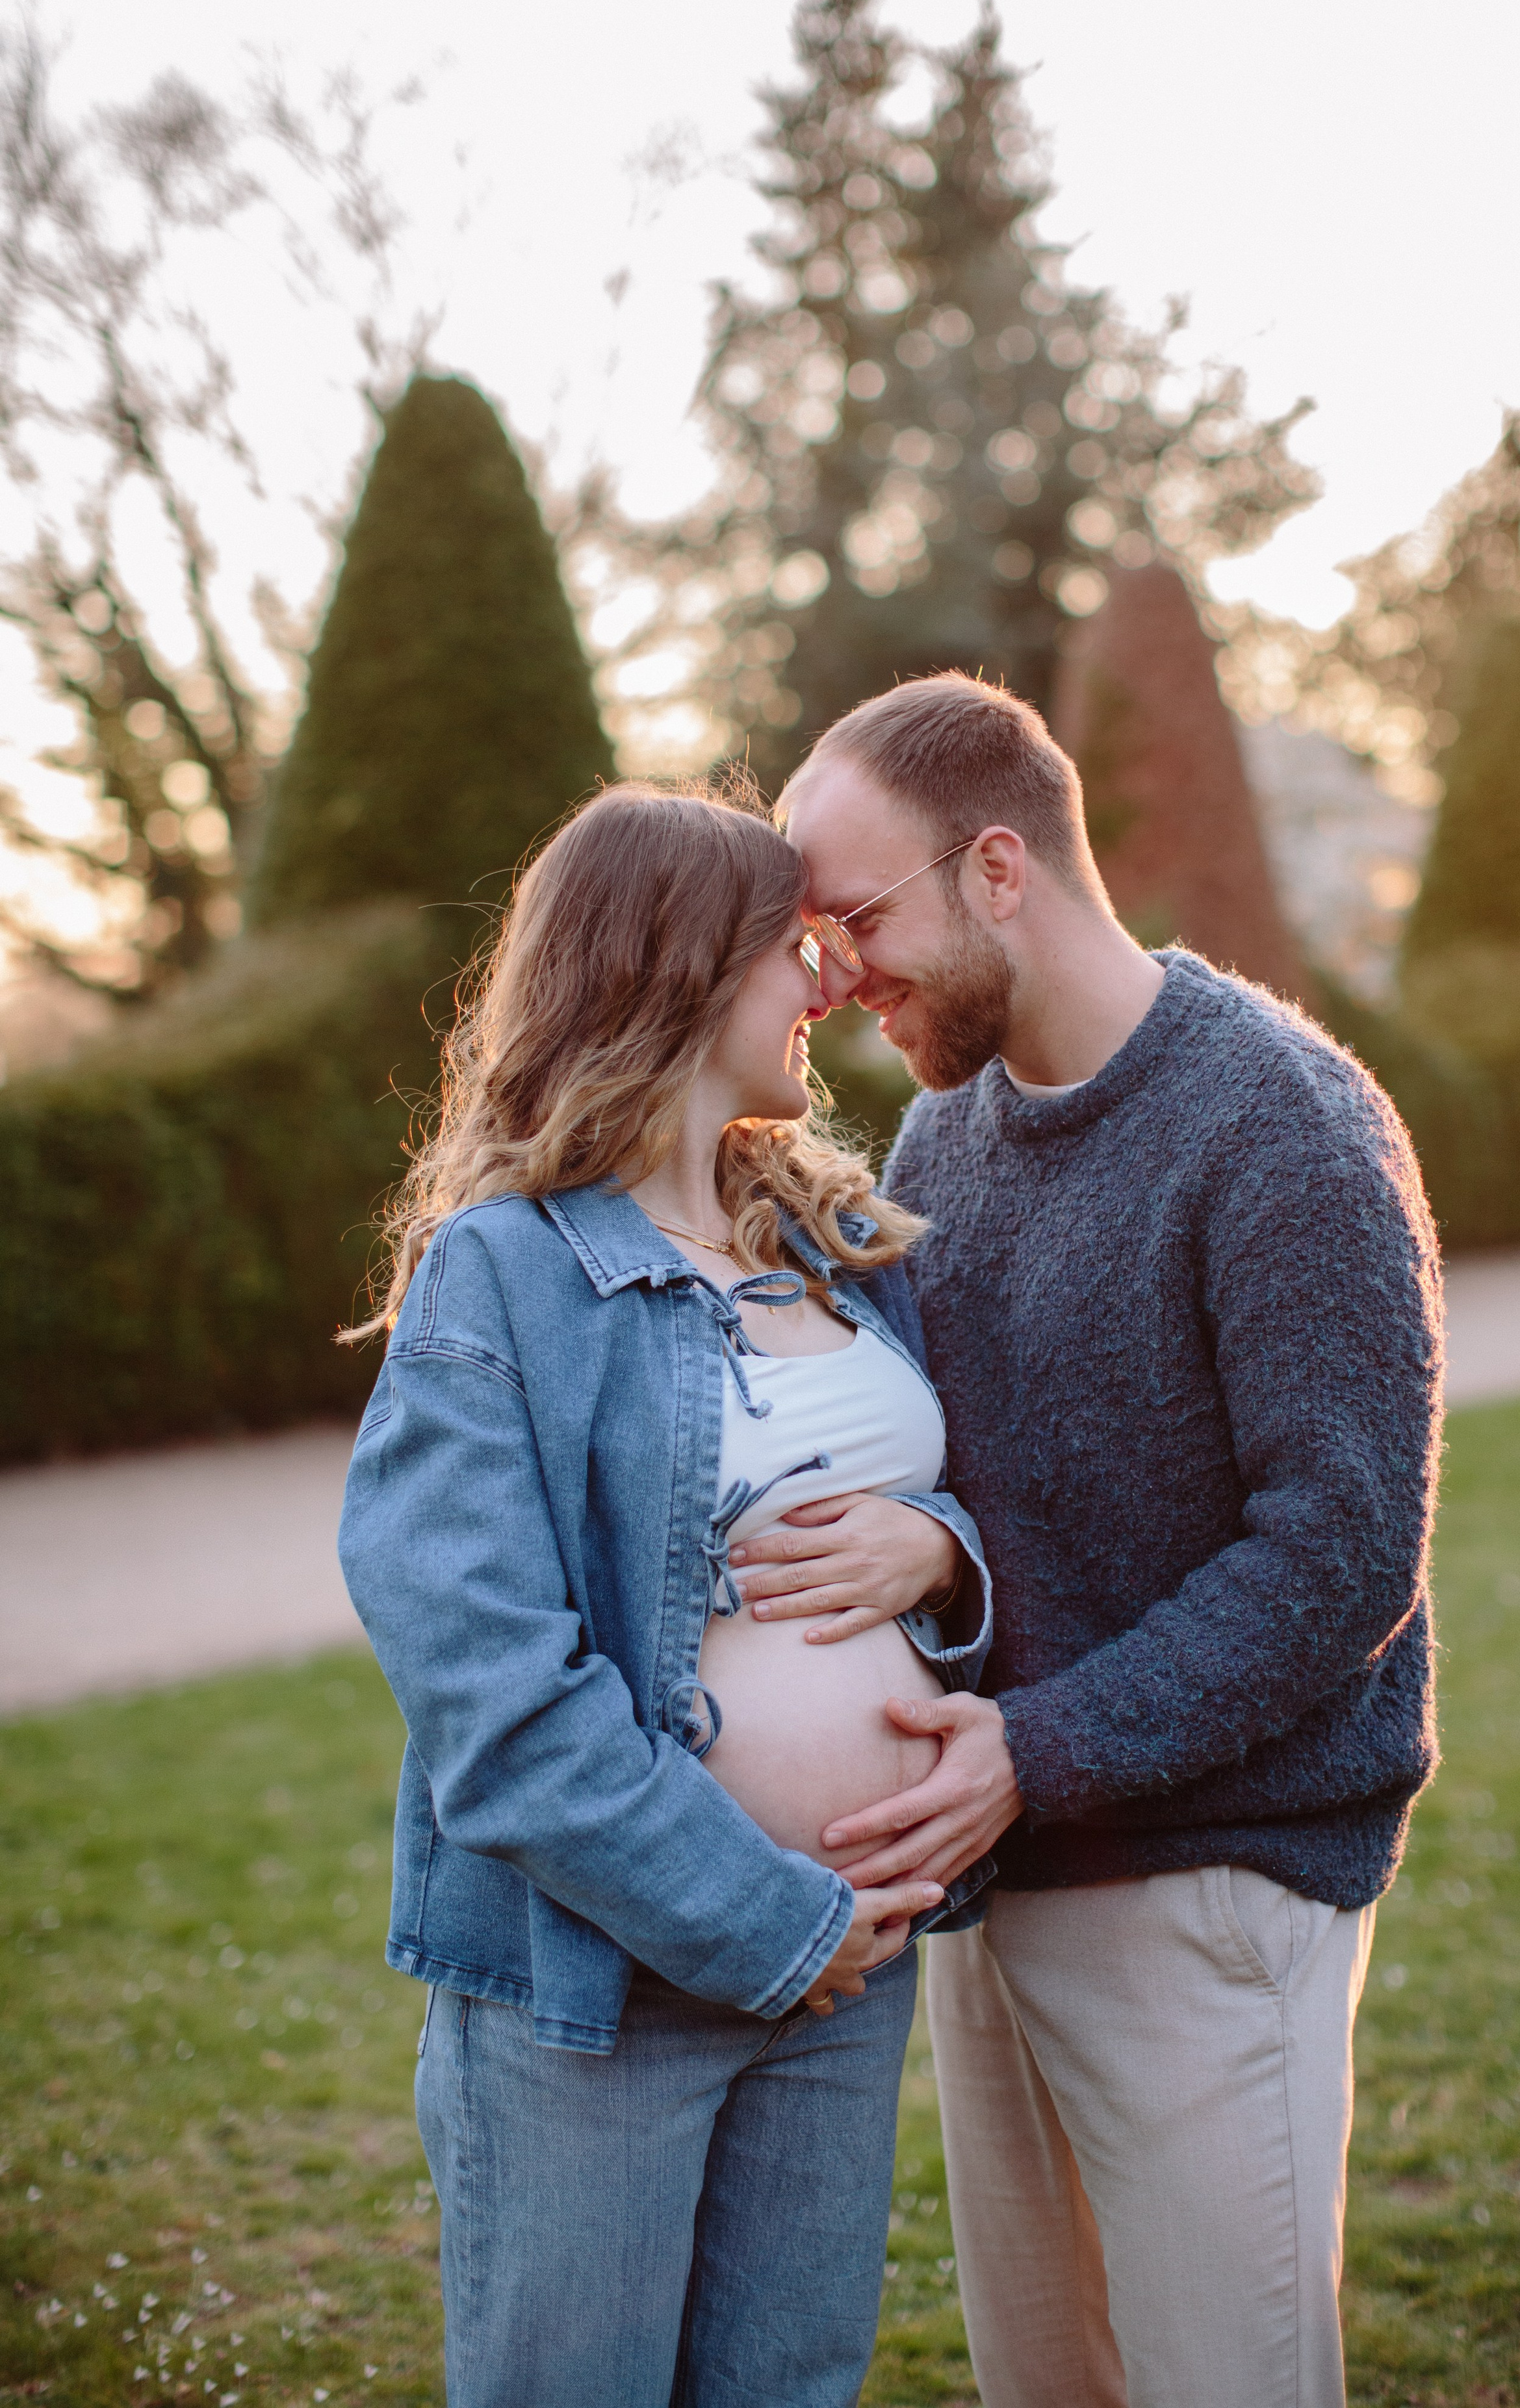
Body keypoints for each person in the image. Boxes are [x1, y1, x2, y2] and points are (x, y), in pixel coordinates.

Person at [738, 672, 1443, 2408]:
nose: (832, 977)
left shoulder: (1282, 1125)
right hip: (1002, 1888)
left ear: (998, 871)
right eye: (806, 940)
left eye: (854, 919)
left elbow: (1340, 1556)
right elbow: (971, 1478)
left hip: (1211, 1896)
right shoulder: (940, 1139)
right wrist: (925, 1548)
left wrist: (1033, 1750)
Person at [336, 781, 994, 2408]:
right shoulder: (503, 1278)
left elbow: (913, 1512)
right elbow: (490, 1698)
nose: (830, 979)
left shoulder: (833, 1242)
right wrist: (770, 1924)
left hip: (853, 1968)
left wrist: (942, 1550)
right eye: (796, 942)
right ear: (681, 962)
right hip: (612, 1989)